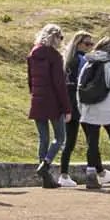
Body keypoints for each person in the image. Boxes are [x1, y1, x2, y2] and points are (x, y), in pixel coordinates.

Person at [73, 36, 110, 186]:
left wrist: (81, 109)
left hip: (89, 109)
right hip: (109, 110)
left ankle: (91, 175)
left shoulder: (88, 64)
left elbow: (79, 88)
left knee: (92, 143)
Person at [27, 23, 75, 187]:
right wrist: (67, 108)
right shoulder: (55, 56)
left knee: (43, 138)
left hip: (38, 100)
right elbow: (59, 85)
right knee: (60, 137)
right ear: (54, 37)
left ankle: (45, 177)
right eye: (60, 38)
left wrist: (34, 96)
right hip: (53, 102)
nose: (61, 41)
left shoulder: (32, 54)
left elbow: (30, 81)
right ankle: (45, 164)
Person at [63, 29, 103, 188]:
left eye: (91, 44)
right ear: (78, 43)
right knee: (91, 139)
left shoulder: (67, 60)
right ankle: (98, 172)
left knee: (70, 141)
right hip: (81, 104)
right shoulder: (82, 60)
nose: (89, 47)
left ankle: (64, 174)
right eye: (87, 44)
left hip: (69, 103)